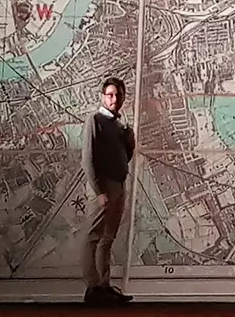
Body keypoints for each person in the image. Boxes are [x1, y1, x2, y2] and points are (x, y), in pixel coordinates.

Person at [82, 77, 135, 305]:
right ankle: (92, 286)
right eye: (111, 95)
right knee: (93, 237)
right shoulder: (95, 120)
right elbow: (88, 158)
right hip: (103, 186)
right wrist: (98, 190)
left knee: (107, 238)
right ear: (103, 97)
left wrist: (129, 141)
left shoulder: (119, 125)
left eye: (119, 95)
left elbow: (124, 157)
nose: (115, 99)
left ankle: (104, 285)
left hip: (118, 184)